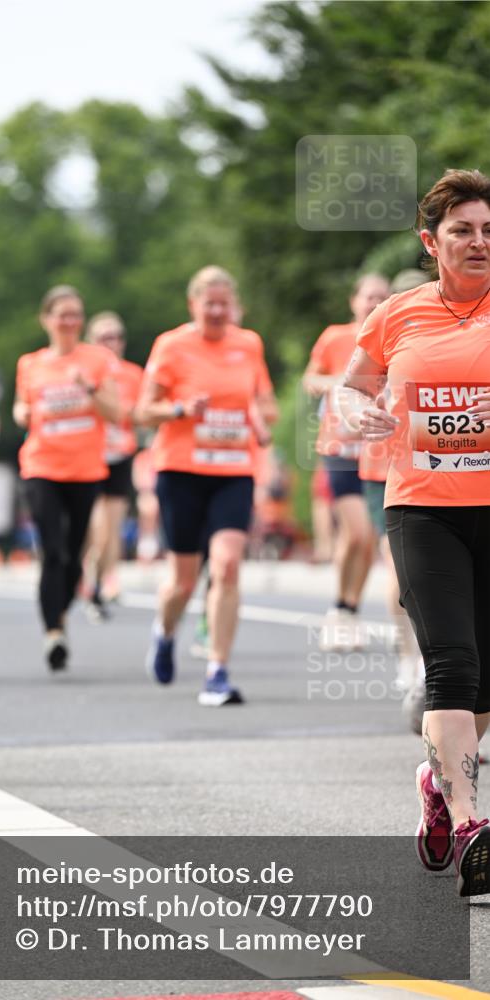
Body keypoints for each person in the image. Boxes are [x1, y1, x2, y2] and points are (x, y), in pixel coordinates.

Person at [342, 168, 490, 896]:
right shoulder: (396, 314)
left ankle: (435, 785)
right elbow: (349, 386)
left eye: (488, 230)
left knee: (485, 677)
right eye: (462, 230)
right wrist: (354, 413)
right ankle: (469, 825)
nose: (478, 241)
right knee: (452, 664)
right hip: (422, 508)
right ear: (431, 241)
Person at [136, 265, 279, 706]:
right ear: (192, 304)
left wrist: (260, 419)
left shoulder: (248, 344)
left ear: (232, 305)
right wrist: (179, 409)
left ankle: (217, 670)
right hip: (181, 472)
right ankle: (164, 632)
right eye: (208, 303)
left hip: (234, 469)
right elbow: (144, 411)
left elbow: (266, 403)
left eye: (223, 303)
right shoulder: (171, 345)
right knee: (182, 581)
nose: (216, 311)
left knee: (227, 566)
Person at [13, 286, 120, 670]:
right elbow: (21, 406)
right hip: (41, 467)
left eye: (76, 314)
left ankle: (59, 613)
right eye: (62, 314)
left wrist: (87, 387)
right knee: (53, 550)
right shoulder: (31, 363)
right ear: (47, 319)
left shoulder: (97, 359)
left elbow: (116, 412)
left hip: (85, 469)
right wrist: (21, 414)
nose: (70, 321)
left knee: (75, 556)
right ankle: (53, 632)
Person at [356, 270, 429, 733]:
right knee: (402, 575)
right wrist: (362, 413)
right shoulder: (383, 335)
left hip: (446, 476)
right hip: (383, 472)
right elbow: (344, 395)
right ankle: (411, 663)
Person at [303, 273, 390, 652]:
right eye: (369, 296)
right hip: (339, 450)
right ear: (354, 300)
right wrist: (340, 383)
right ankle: (339, 609)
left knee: (368, 539)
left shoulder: (394, 336)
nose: (374, 303)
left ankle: (349, 610)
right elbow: (311, 380)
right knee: (355, 532)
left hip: (375, 453)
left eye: (382, 297)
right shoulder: (335, 337)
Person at [83, 311, 143, 620]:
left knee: (113, 525)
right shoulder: (82, 371)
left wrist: (131, 412)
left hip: (120, 454)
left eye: (117, 336)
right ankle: (91, 577)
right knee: (97, 527)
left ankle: (104, 578)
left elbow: (142, 412)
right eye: (105, 337)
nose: (113, 343)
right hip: (89, 456)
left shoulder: (133, 374)